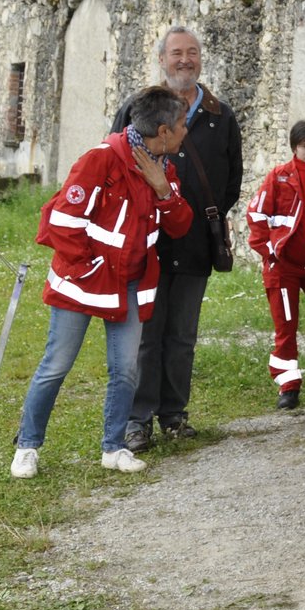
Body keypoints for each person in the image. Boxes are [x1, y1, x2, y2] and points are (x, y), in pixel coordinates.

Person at [11, 87, 193, 479]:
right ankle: (27, 446)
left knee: (126, 369)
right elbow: (62, 222)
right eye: (182, 124)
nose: (185, 131)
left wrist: (163, 188)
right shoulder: (101, 159)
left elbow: (180, 225)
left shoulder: (164, 168)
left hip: (129, 286)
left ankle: (114, 448)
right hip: (81, 284)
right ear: (163, 130)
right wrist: (90, 269)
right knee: (56, 366)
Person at [113, 26, 243, 451]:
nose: (184, 60)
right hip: (145, 239)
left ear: (200, 59)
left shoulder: (220, 116)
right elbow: (115, 159)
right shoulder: (137, 107)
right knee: (146, 334)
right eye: (176, 54)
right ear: (162, 60)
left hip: (194, 243)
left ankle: (174, 414)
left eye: (192, 53)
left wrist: (207, 218)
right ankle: (138, 419)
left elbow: (232, 181)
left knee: (183, 334)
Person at [246, 120, 305, 409]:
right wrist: (270, 252)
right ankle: (288, 385)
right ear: (294, 148)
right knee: (286, 326)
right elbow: (257, 215)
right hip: (284, 268)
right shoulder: (278, 177)